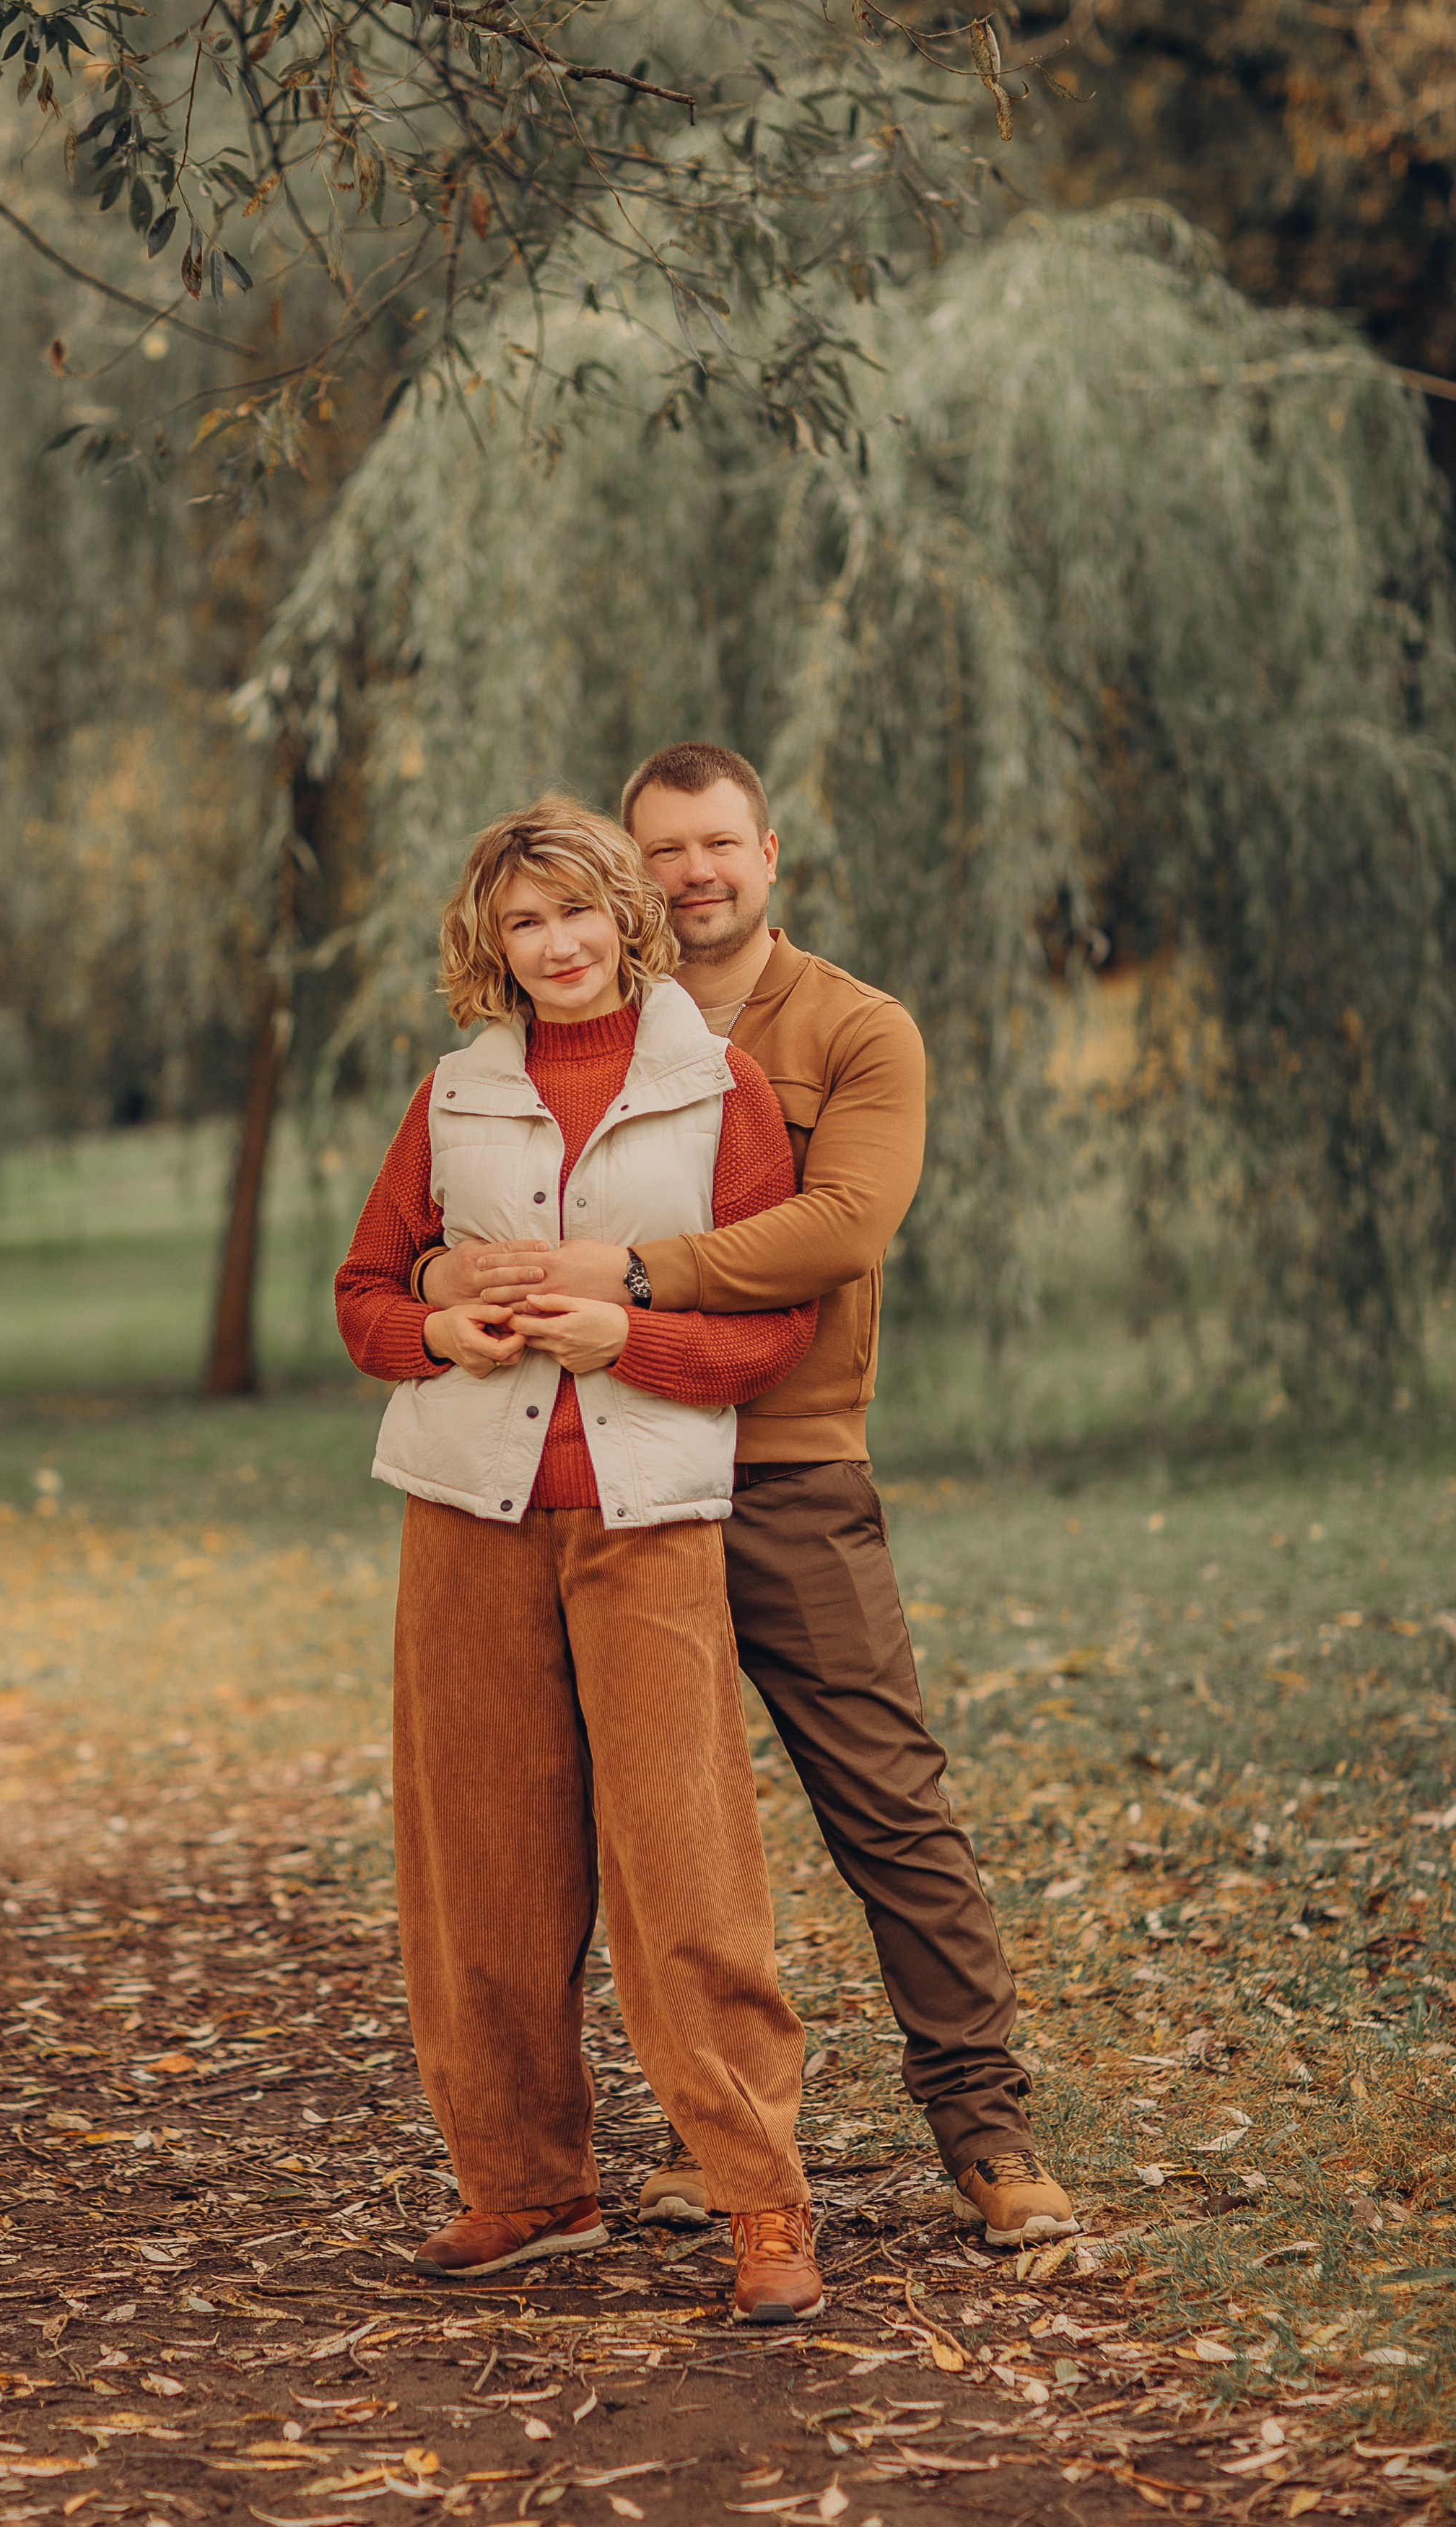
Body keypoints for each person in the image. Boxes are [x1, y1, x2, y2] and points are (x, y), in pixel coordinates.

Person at [418, 744, 1078, 2250]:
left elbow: (841, 1224)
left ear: (769, 853)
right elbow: (444, 1227)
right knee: (646, 1827)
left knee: (886, 1803)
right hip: (604, 1472)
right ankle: (701, 2137)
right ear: (619, 874)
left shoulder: (853, 1027)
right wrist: (459, 1281)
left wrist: (629, 1273)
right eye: (662, 850)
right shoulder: (554, 1027)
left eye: (719, 843)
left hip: (783, 1468)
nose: (693, 872)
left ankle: (987, 2132)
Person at [334, 792, 829, 2321]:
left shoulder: (712, 1081)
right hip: (465, 1514)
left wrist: (637, 1334)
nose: (553, 945)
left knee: (686, 1863)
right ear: (492, 943)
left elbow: (774, 1319)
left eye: (575, 913)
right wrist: (440, 1325)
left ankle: (760, 2200)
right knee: (482, 1862)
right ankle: (528, 2186)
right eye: (521, 921)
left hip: (648, 1519)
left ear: (629, 917)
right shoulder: (456, 1094)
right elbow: (362, 1292)